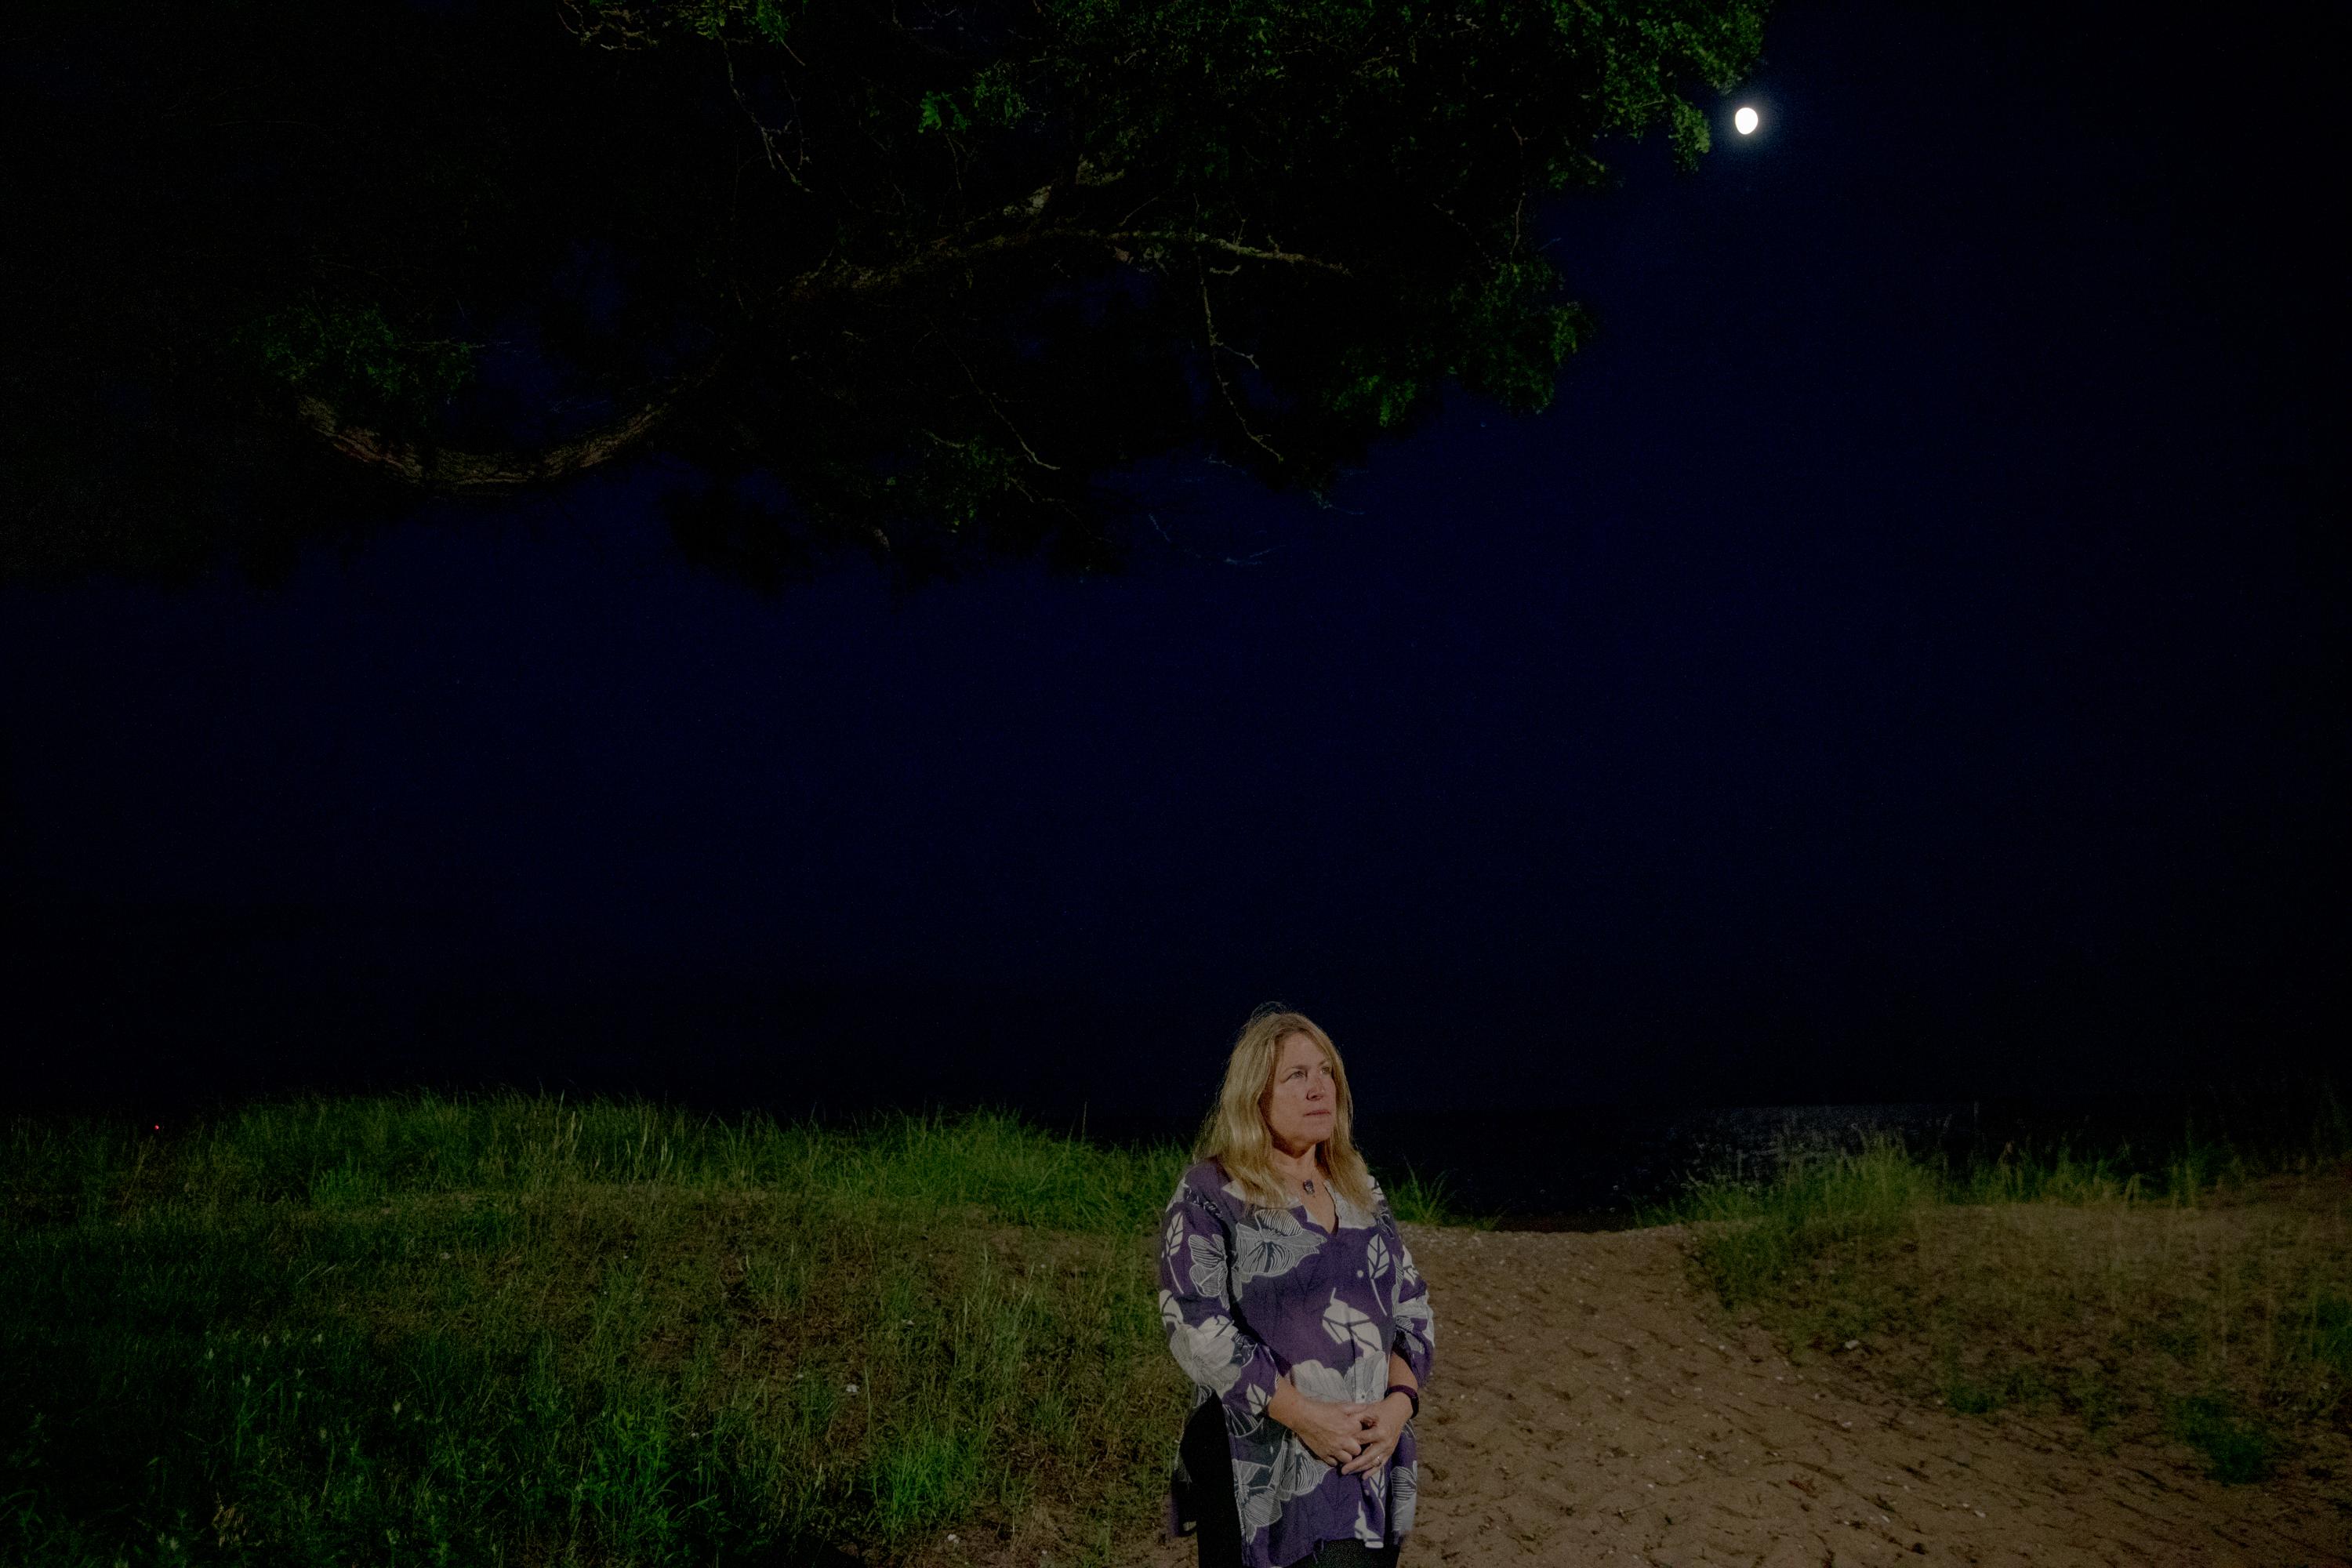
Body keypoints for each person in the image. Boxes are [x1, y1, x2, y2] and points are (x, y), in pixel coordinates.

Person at [1159, 1007, 1437, 1568]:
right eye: (1296, 1075)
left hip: (1365, 1464)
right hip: (1259, 1462)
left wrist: (1397, 1409)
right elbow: (1196, 1325)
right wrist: (1305, 1415)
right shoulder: (1212, 1192)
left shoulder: (1361, 1191)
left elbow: (1411, 1310)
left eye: (1327, 1072)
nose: (1319, 1088)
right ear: (1254, 1095)